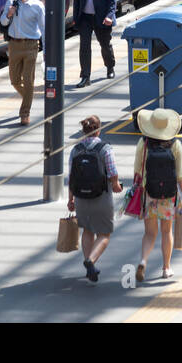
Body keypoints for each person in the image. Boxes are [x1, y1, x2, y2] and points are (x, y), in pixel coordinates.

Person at [133, 108, 182, 282]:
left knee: (150, 233)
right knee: (167, 232)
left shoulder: (143, 144)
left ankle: (143, 260)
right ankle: (166, 268)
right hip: (169, 195)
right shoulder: (175, 144)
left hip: (149, 193)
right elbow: (180, 174)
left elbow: (137, 171)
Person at [68, 115, 122, 283]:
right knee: (105, 234)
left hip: (81, 198)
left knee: (88, 230)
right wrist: (116, 185)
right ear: (99, 130)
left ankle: (89, 267)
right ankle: (90, 261)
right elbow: (112, 172)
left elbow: (71, 177)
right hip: (101, 196)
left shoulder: (75, 150)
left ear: (83, 131)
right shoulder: (105, 148)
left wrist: (71, 200)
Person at [0, 0, 45, 124]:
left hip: (31, 45)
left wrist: (46, 50)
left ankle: (24, 113)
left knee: (28, 80)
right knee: (14, 80)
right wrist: (9, 14)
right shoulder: (11, 2)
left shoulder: (37, 6)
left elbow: (44, 28)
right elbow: (3, 22)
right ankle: (29, 96)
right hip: (14, 45)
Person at [73, 0, 117, 88]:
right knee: (84, 47)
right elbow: (77, 0)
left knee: (105, 44)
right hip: (85, 18)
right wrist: (76, 19)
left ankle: (110, 67)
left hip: (102, 17)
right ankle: (85, 77)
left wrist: (110, 15)